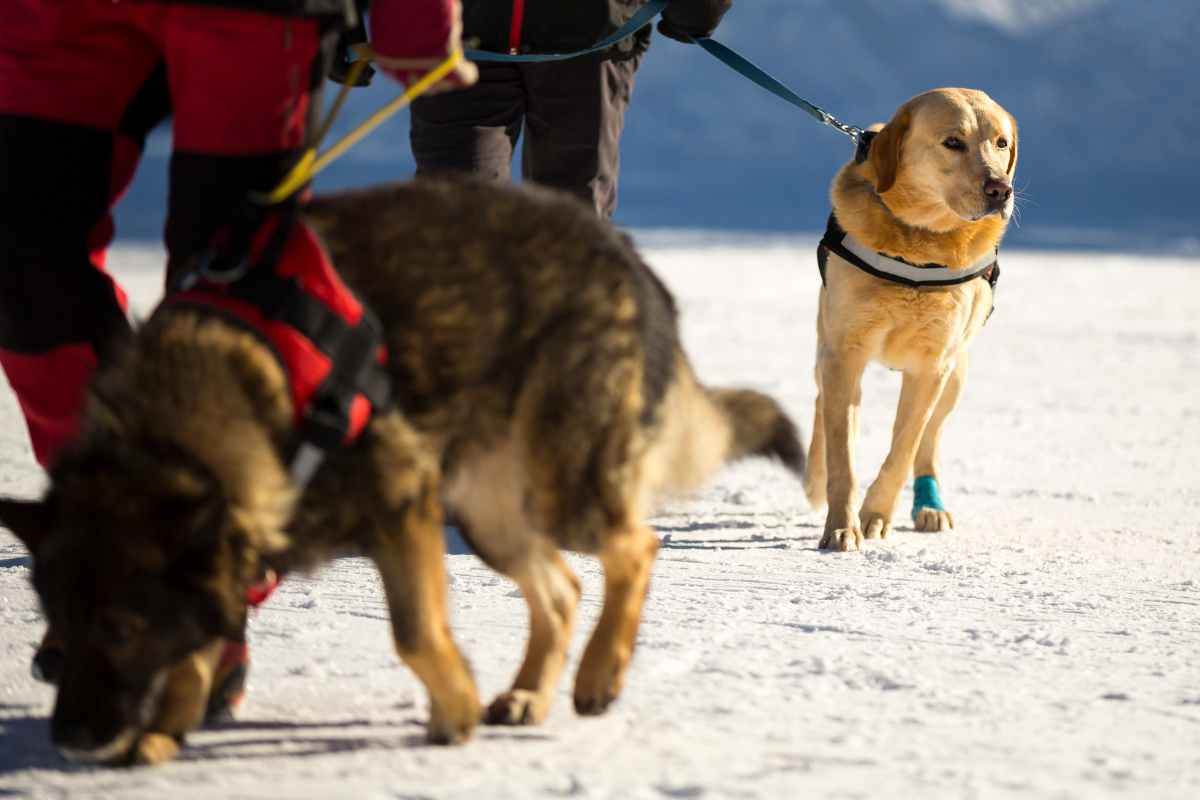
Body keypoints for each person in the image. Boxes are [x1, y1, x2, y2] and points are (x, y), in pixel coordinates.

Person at [0, 0, 476, 718]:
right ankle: (101, 550)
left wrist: (414, 16)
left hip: (247, 15)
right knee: (20, 268)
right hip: (57, 15)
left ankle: (199, 577)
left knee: (236, 284)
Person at [405, 0, 734, 217]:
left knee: (572, 226)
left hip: (590, 38)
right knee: (454, 214)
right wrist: (352, 26)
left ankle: (570, 322)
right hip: (456, 34)